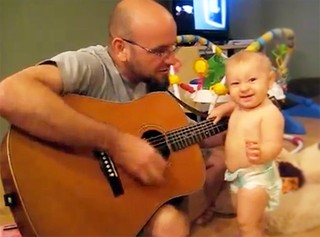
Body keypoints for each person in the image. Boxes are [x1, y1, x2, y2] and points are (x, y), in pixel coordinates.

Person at [0, 0, 226, 236]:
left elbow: (191, 132)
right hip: (79, 195)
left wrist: (239, 113)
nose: (172, 60)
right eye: (159, 51)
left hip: (129, 198)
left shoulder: (152, 83)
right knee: (172, 224)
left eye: (172, 48)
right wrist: (118, 144)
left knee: (216, 163)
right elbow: (8, 94)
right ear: (120, 48)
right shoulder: (92, 66)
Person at [208, 51, 284, 237]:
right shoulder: (242, 106)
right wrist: (224, 107)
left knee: (246, 222)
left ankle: (250, 231)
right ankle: (254, 230)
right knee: (251, 218)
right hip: (237, 175)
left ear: (270, 80)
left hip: (256, 176)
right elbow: (236, 105)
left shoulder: (269, 114)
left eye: (252, 80)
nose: (243, 88)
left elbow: (275, 145)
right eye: (235, 83)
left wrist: (262, 152)